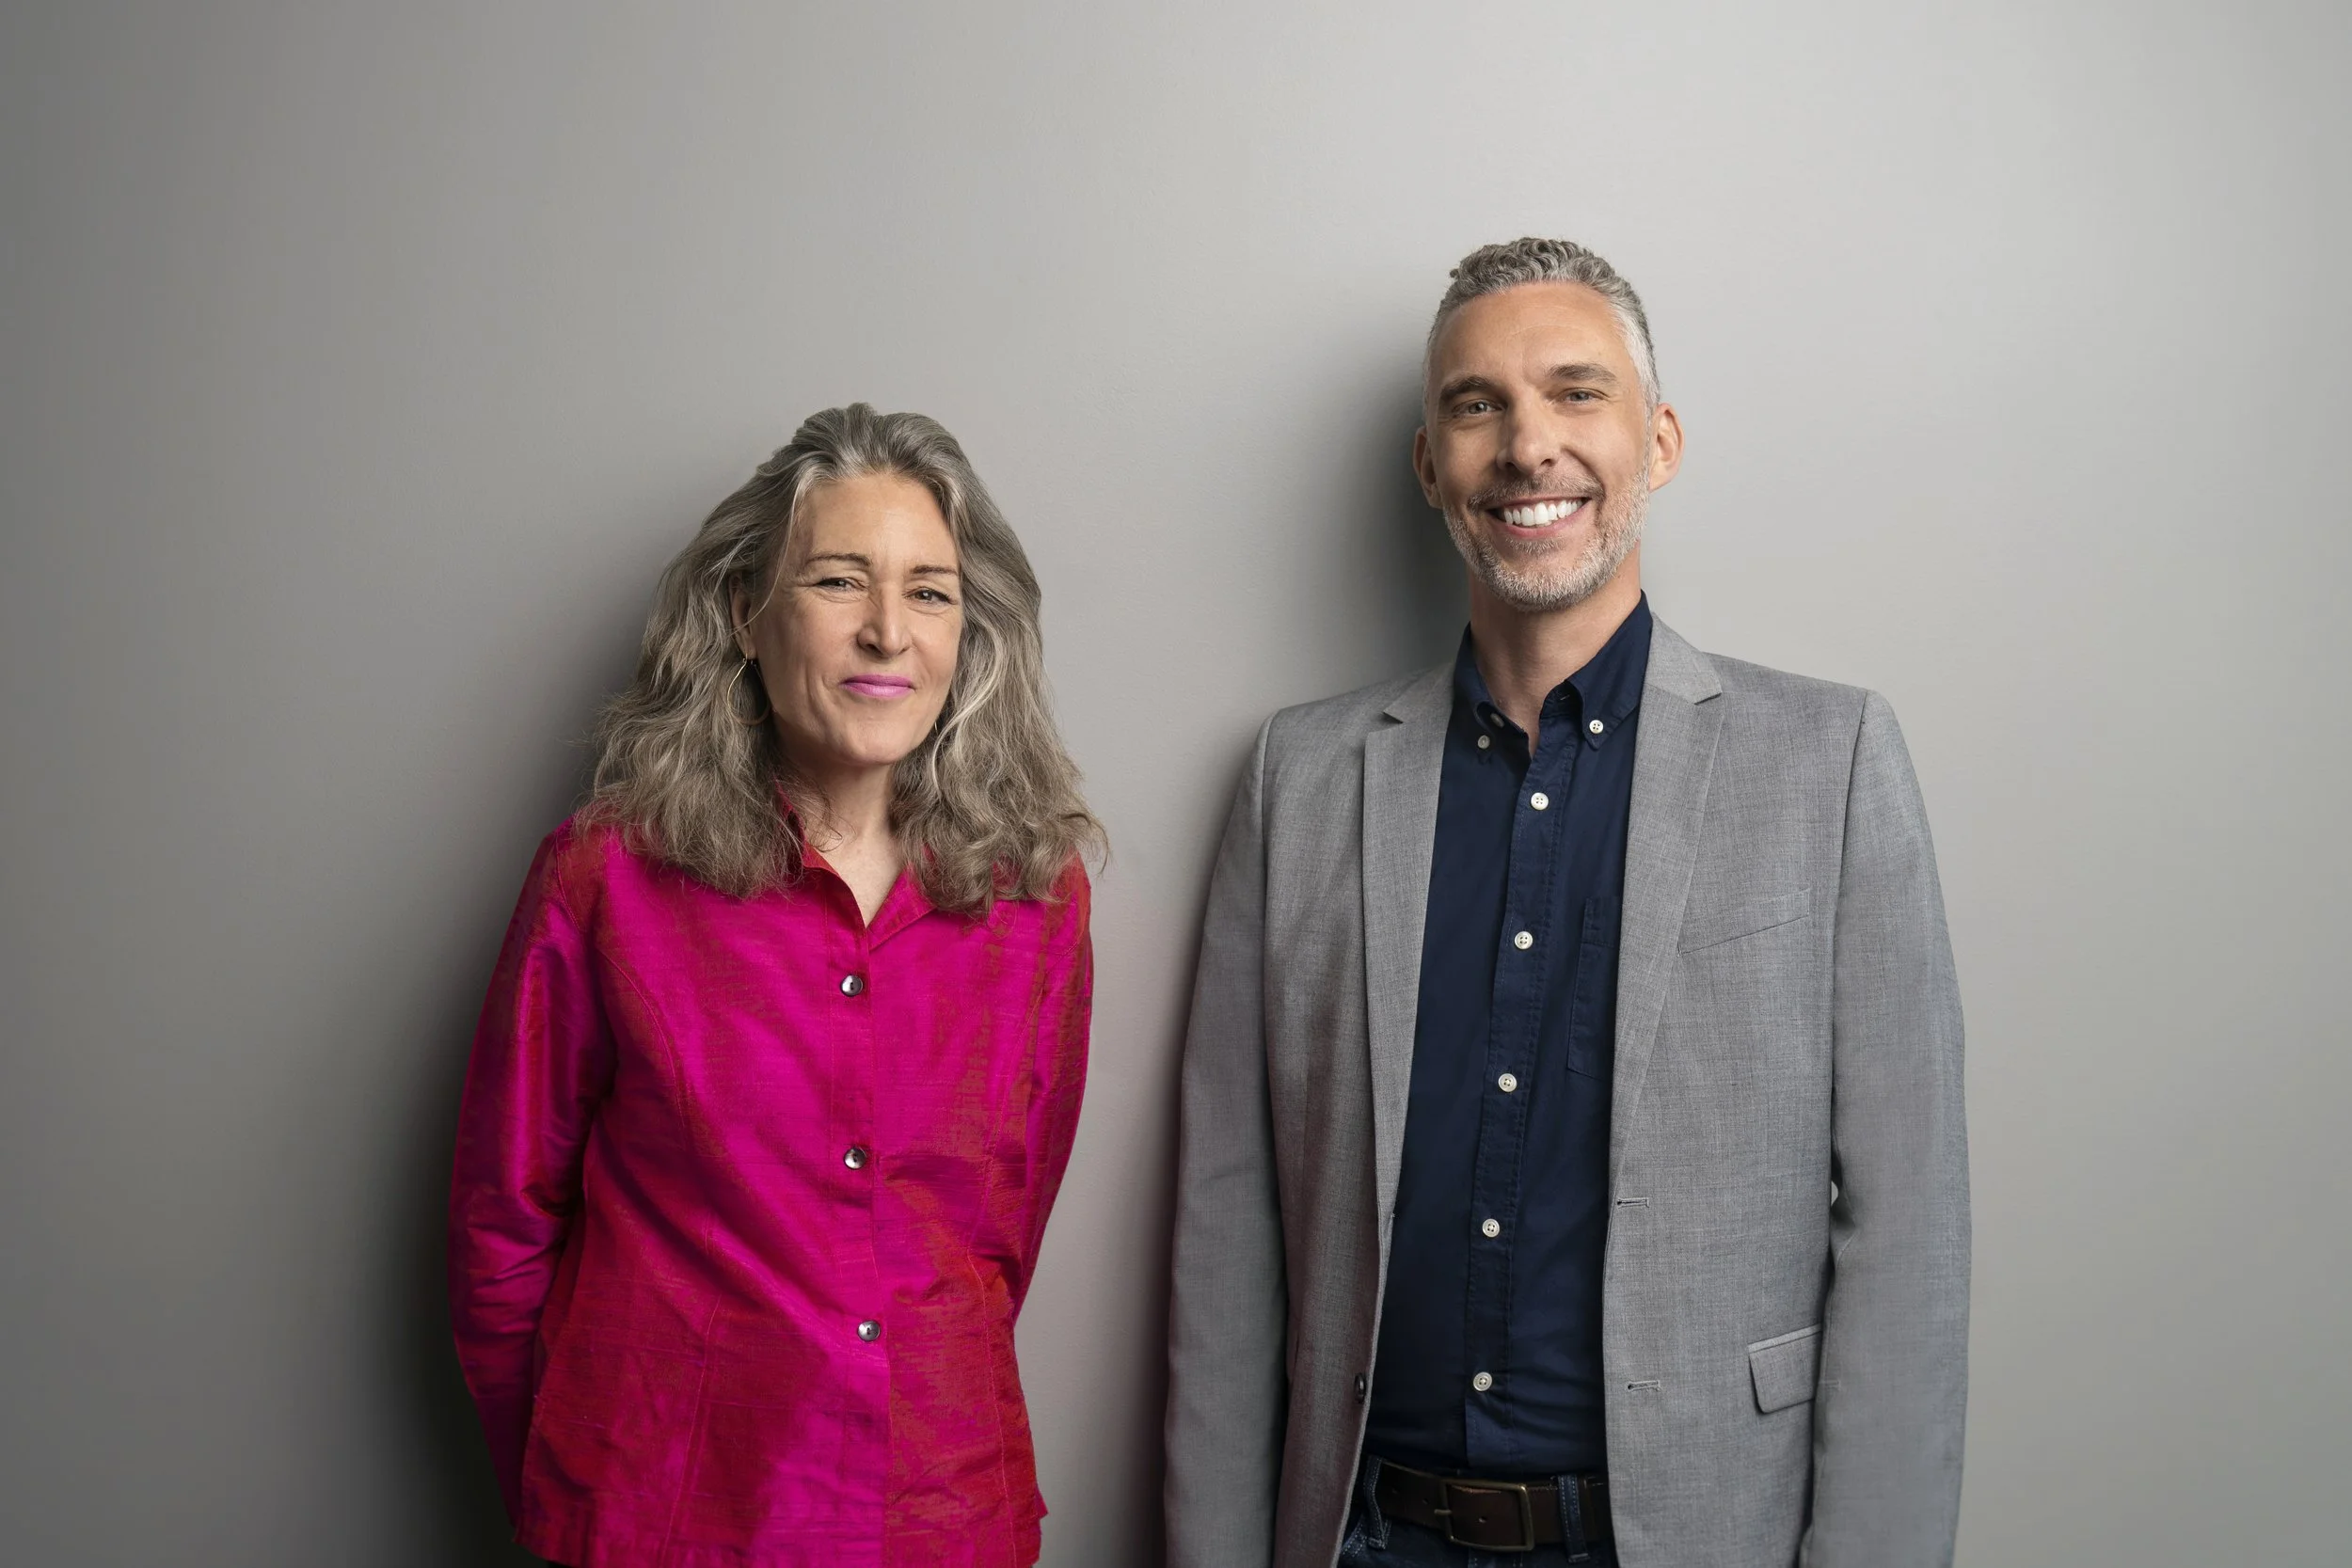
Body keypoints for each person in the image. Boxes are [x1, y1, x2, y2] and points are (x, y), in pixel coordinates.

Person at [1164, 239, 1968, 1568]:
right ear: (1432, 464)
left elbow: (1909, 1234)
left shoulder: (1830, 762)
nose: (1528, 445)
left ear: (1658, 441)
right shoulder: (1295, 780)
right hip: (1368, 1533)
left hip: (1698, 1531)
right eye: (1477, 404)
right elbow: (1226, 1226)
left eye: (1576, 393)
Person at [447, 404, 1102, 1568]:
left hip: (938, 1515)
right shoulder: (606, 876)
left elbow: (999, 1240)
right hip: (661, 1520)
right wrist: (576, 1495)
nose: (888, 632)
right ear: (746, 614)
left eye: (932, 592)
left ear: (971, 635)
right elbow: (500, 1231)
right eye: (840, 581)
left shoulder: (1034, 898)